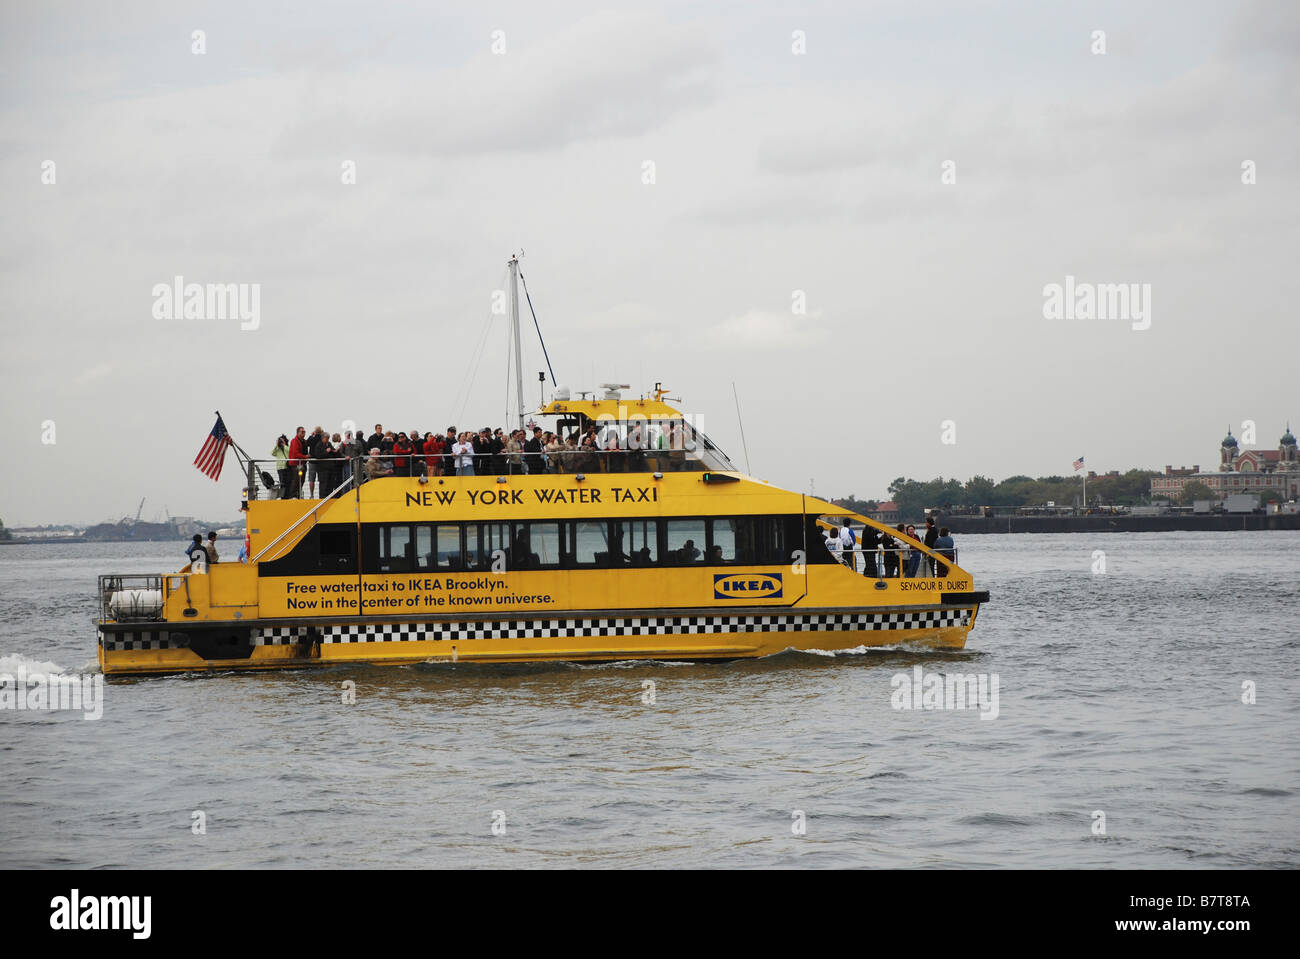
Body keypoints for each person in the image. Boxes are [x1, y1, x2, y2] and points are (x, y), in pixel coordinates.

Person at [287, 426, 308, 498]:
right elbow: (295, 454)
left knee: (302, 480)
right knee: (296, 480)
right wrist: (305, 457)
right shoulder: (294, 441)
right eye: (302, 432)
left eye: (304, 432)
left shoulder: (304, 441)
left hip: (302, 463)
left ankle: (298, 494)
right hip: (296, 464)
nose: (304, 433)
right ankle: (293, 495)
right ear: (298, 433)